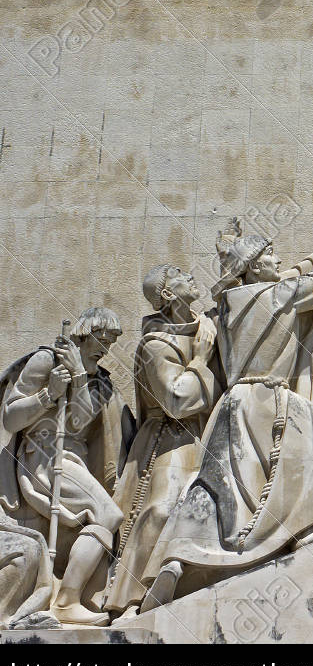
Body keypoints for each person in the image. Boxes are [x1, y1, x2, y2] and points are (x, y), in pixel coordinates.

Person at [136, 216, 313, 612]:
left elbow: (303, 268)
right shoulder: (281, 294)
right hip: (270, 398)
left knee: (216, 485)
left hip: (232, 403)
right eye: (269, 254)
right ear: (254, 265)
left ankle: (176, 558)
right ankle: (309, 528)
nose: (278, 258)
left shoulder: (227, 304)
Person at [0, 307, 129, 626]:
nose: (106, 346)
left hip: (73, 458)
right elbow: (11, 418)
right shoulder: (46, 360)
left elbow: (77, 419)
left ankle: (68, 598)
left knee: (105, 519)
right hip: (43, 456)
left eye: (112, 341)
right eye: (102, 337)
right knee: (108, 514)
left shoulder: (100, 382)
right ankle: (67, 601)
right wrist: (49, 394)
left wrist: (80, 377)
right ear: (84, 332)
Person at [104, 265, 219, 620]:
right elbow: (178, 401)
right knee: (160, 510)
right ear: (168, 295)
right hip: (168, 437)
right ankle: (128, 601)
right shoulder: (156, 345)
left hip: (208, 433)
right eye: (182, 276)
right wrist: (200, 359)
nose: (192, 277)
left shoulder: (207, 325)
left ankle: (172, 572)